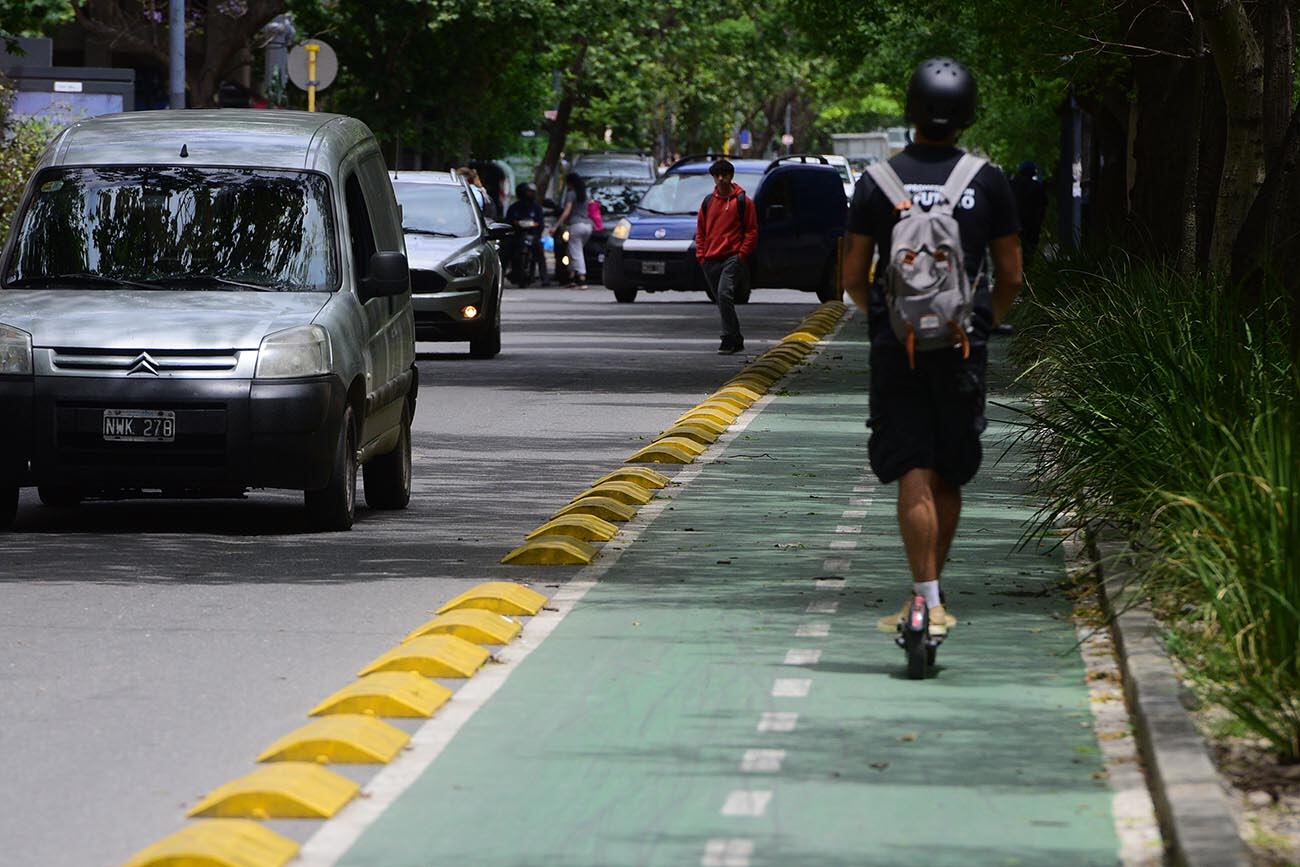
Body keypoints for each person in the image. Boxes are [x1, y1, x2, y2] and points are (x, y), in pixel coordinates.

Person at [841, 57, 1023, 637]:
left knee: (912, 469)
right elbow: (1012, 275)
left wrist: (883, 320)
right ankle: (933, 600)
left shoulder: (878, 181)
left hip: (900, 344)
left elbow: (851, 274)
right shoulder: (987, 181)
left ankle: (921, 600)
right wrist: (983, 322)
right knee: (948, 471)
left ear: (911, 109)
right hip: (963, 343)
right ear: (966, 114)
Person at [695, 158, 758, 354]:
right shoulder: (707, 202)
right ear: (713, 177)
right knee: (722, 300)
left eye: (725, 175)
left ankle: (727, 338)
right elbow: (701, 231)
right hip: (710, 258)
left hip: (732, 257)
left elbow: (752, 230)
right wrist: (701, 256)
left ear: (731, 176)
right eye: (717, 175)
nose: (721, 179)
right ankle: (736, 337)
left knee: (724, 294)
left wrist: (741, 254)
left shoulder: (743, 202)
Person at [504, 182, 547, 286]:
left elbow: (540, 223)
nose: (530, 194)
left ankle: (544, 278)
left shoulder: (536, 208)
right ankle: (505, 273)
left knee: (540, 254)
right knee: (506, 251)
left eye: (532, 192)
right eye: (528, 192)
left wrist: (536, 232)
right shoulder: (514, 208)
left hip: (533, 235)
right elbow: (508, 222)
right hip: (517, 236)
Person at [553, 173, 593, 286]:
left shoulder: (571, 194)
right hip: (588, 226)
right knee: (571, 251)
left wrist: (556, 225)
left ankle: (581, 277)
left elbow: (566, 211)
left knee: (576, 251)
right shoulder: (587, 194)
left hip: (576, 225)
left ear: (570, 183)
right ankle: (571, 276)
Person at [1008, 160, 1047, 265]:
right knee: (1029, 253)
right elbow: (1042, 206)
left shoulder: (1011, 185)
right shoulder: (1037, 187)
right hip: (1032, 225)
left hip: (1013, 226)